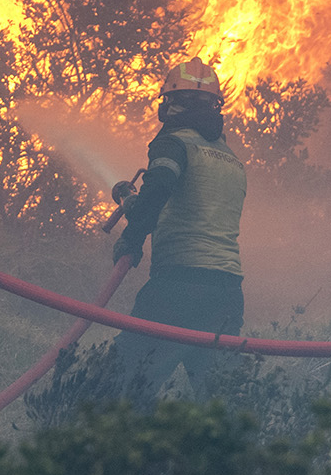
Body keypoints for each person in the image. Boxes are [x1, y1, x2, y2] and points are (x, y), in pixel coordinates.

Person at [103, 58, 248, 401]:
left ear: (169, 103)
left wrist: (131, 239)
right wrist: (135, 205)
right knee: (224, 404)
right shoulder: (230, 158)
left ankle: (119, 451)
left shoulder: (174, 144)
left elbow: (159, 189)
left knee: (120, 387)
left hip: (178, 288)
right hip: (226, 293)